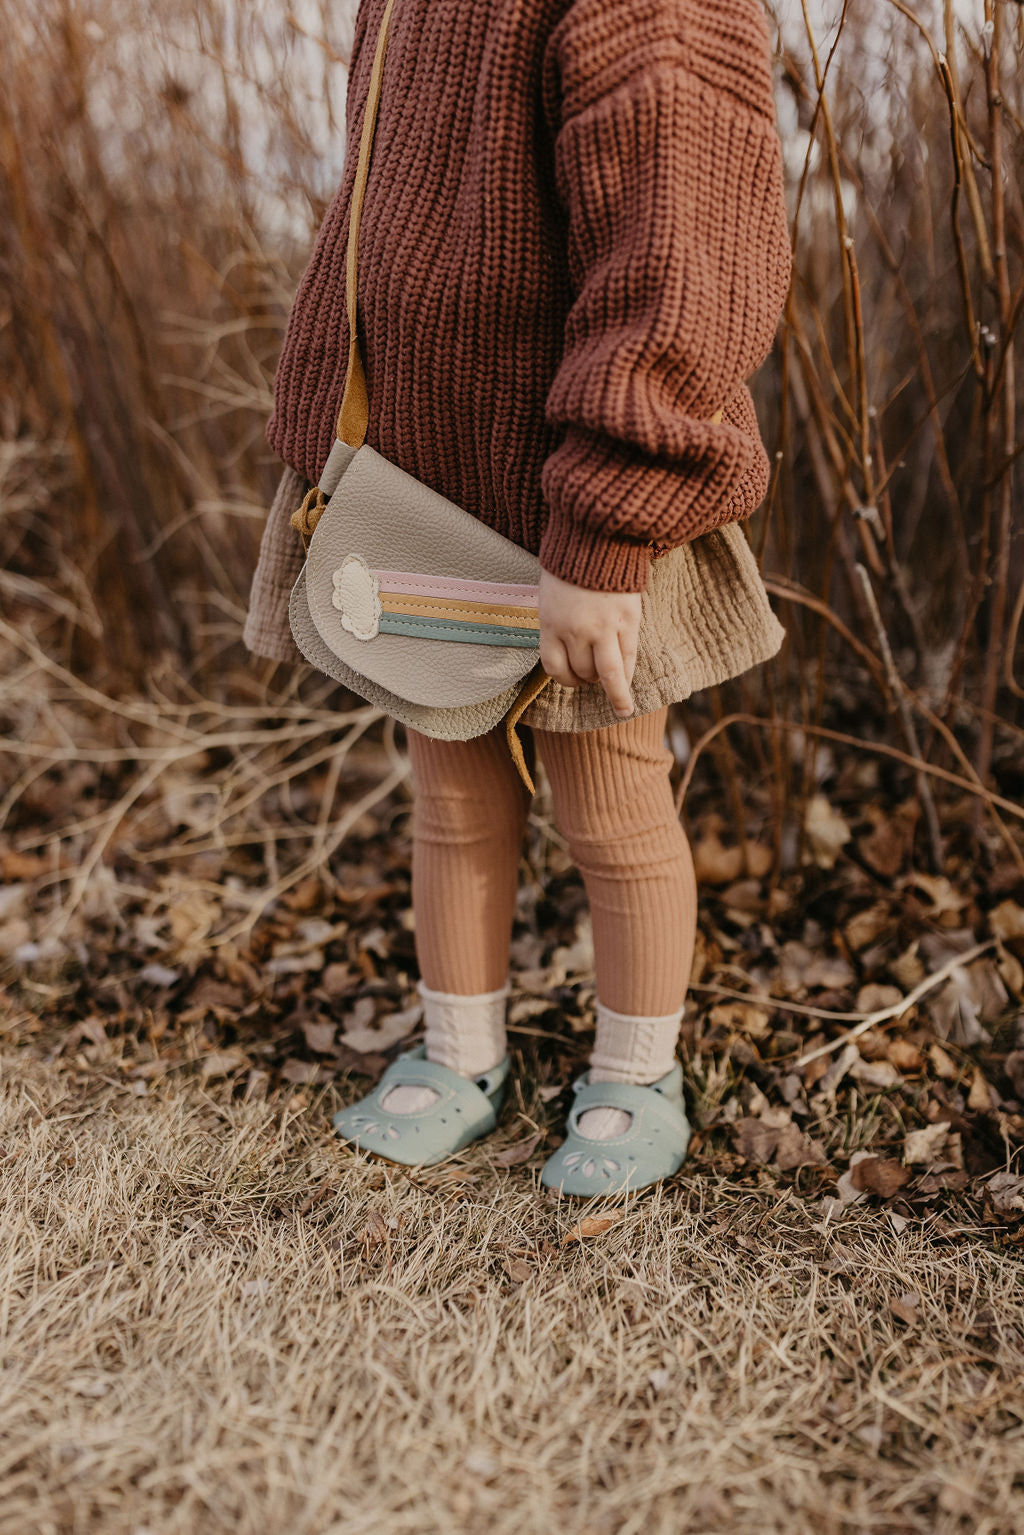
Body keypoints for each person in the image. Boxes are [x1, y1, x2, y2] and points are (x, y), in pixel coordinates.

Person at [244, 0, 792, 1194]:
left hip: (578, 503)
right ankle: (459, 1054)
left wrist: (604, 524)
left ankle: (636, 1071)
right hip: (424, 488)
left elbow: (679, 259)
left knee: (611, 801)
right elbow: (377, 208)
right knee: (448, 790)